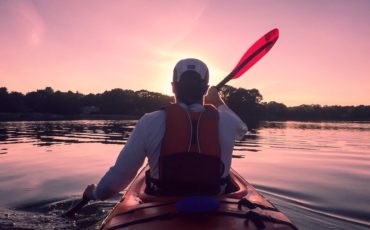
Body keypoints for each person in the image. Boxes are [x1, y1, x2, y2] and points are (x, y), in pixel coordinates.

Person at [82, 58, 247, 200]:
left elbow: (120, 176)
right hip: (216, 204)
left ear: (173, 87)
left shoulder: (149, 121)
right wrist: (218, 101)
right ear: (205, 89)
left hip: (162, 202)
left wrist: (96, 194)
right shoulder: (227, 121)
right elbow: (242, 129)